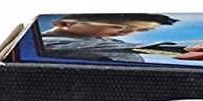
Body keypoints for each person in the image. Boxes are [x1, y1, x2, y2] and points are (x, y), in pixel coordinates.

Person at [40, 14, 177, 63]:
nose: (128, 32)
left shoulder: (109, 41)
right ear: (65, 24)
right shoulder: (45, 43)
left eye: (141, 30)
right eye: (120, 27)